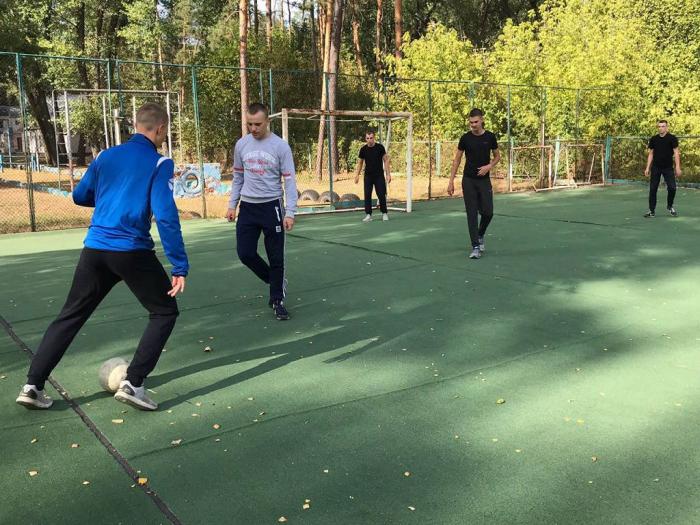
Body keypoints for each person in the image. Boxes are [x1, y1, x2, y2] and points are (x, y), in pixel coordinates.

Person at [16, 103, 188, 412]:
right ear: (161, 128)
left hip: (95, 250)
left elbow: (80, 195)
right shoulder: (160, 162)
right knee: (164, 312)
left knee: (70, 315)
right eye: (165, 131)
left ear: (136, 125)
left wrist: (111, 197)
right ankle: (133, 384)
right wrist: (179, 264)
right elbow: (165, 215)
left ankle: (32, 386)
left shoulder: (106, 156)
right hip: (131, 252)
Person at [226, 103, 298, 320]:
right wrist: (232, 204)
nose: (253, 128)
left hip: (272, 207)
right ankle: (275, 280)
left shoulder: (280, 147)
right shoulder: (241, 145)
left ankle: (277, 300)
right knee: (245, 253)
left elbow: (290, 181)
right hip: (248, 207)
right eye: (250, 124)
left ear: (267, 121)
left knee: (276, 257)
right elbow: (238, 177)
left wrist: (290, 212)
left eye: (257, 124)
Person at [447, 108, 501, 259]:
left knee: (488, 212)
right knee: (471, 214)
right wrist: (451, 181)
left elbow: (497, 156)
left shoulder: (490, 137)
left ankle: (480, 234)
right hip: (468, 180)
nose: (473, 125)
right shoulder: (465, 138)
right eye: (471, 122)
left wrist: (489, 166)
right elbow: (457, 159)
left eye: (476, 122)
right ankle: (475, 246)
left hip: (484, 181)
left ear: (482, 120)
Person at [644, 120, 681, 217]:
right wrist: (647, 168)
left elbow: (676, 153)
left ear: (667, 128)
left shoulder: (672, 138)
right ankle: (651, 211)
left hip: (668, 168)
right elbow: (651, 154)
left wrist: (677, 167)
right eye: (659, 126)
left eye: (663, 126)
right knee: (653, 189)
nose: (661, 128)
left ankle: (670, 206)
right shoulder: (654, 139)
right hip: (656, 167)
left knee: (672, 188)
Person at [354, 130, 391, 222]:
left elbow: (386, 160)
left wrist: (388, 174)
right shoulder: (363, 149)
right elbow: (360, 163)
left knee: (381, 194)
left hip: (379, 176)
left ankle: (384, 213)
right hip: (368, 176)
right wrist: (357, 175)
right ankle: (368, 215)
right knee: (367, 195)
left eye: (371, 138)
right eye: (367, 138)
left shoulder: (380, 147)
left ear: (374, 138)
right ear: (365, 139)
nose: (369, 140)